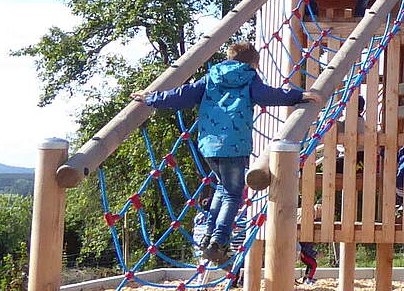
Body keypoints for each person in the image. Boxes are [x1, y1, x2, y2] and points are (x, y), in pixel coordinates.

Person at [135, 41, 321, 265]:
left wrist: (151, 98)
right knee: (233, 194)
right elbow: (269, 96)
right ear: (255, 62)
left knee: (223, 189)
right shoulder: (249, 77)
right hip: (235, 145)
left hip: (209, 146)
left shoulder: (211, 76)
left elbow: (183, 95)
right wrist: (299, 96)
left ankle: (207, 236)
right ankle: (219, 241)